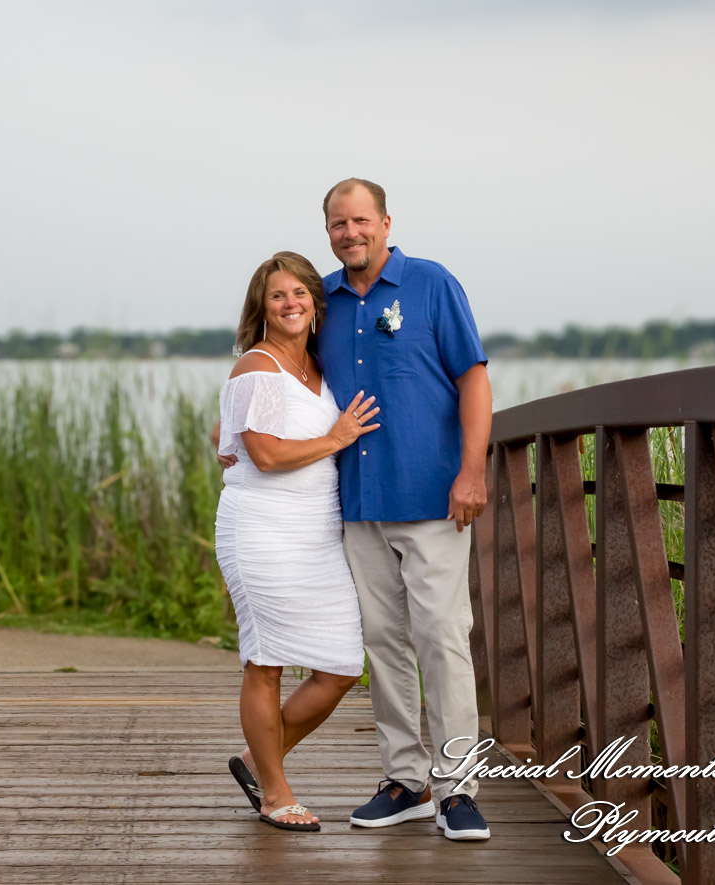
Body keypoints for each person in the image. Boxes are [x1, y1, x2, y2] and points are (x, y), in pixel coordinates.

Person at [216, 179, 493, 841]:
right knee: (383, 645)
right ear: (329, 233)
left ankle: (458, 788)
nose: (350, 233)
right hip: (356, 508)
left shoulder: (431, 284)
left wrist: (473, 470)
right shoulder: (327, 304)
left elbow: (473, 376)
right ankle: (405, 779)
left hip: (431, 499)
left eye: (360, 220)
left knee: (443, 640)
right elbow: (268, 393)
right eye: (338, 224)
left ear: (385, 222)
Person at [216, 250, 380, 832]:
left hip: (316, 531)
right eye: (277, 295)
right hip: (262, 527)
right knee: (266, 662)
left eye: (300, 294)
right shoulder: (258, 365)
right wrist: (337, 438)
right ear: (262, 306)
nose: (290, 304)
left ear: (316, 303)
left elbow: (233, 434)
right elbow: (263, 453)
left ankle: (258, 760)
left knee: (339, 667)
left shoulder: (316, 364)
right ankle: (274, 793)